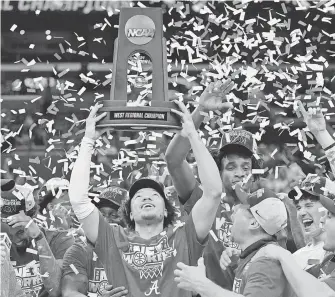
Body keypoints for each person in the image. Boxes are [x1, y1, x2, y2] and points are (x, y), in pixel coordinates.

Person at [68, 102, 223, 297]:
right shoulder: (113, 239)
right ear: (130, 212)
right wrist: (88, 140)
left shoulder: (185, 237)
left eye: (154, 195)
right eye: (139, 196)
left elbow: (214, 192)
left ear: (166, 210)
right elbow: (78, 200)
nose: (146, 197)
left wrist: (192, 135)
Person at [165, 80, 305, 289]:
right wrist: (200, 111)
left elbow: (298, 257)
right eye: (230, 167)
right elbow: (173, 160)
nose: (239, 174)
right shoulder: (203, 201)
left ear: (255, 172)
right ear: (218, 171)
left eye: (245, 167)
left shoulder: (274, 207)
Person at [174, 188, 294, 297]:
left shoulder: (266, 262)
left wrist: (202, 284)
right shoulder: (254, 256)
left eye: (242, 206)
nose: (234, 209)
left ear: (254, 223)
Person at [1, 179, 75, 297]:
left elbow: (56, 290)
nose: (13, 235)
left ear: (33, 218)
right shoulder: (2, 243)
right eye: (7, 225)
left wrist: (39, 237)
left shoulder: (60, 239)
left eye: (20, 229)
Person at [61, 186, 128, 297]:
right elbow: (70, 292)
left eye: (114, 215)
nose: (106, 221)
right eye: (101, 215)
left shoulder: (140, 246)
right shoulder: (80, 250)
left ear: (130, 218)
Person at [288, 174, 327, 271]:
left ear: (328, 208)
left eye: (309, 205)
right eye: (298, 208)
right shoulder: (294, 258)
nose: (301, 213)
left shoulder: (331, 251)